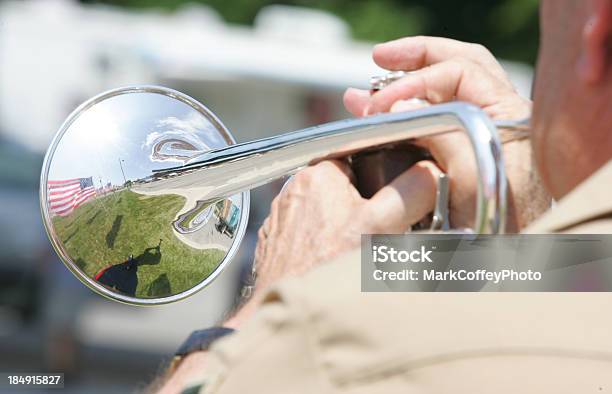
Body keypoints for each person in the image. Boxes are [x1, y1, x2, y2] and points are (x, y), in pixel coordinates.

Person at [156, 1, 612, 392]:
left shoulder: (311, 329)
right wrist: (514, 245)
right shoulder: (583, 269)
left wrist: (278, 303)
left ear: (597, 21)